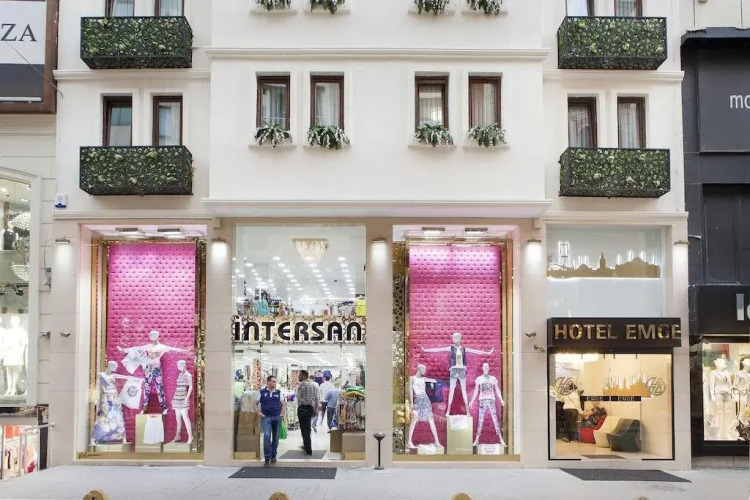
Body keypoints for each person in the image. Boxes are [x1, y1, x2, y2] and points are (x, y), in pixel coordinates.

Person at [253, 375, 285, 466]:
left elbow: (283, 404)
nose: (275, 383)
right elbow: (255, 404)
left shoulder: (279, 392)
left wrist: (281, 414)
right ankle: (267, 458)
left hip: (277, 417)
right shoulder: (261, 392)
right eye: (273, 381)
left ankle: (273, 455)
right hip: (266, 418)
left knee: (276, 437)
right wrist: (259, 413)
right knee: (267, 436)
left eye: (275, 381)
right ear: (268, 382)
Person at [295, 370, 319, 456]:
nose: (298, 377)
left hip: (302, 408)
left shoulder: (301, 385)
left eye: (300, 375)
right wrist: (315, 410)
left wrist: (300, 406)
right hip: (310, 408)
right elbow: (316, 398)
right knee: (308, 429)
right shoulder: (314, 385)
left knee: (304, 430)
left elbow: (299, 398)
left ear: (304, 376)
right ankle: (307, 447)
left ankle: (307, 449)